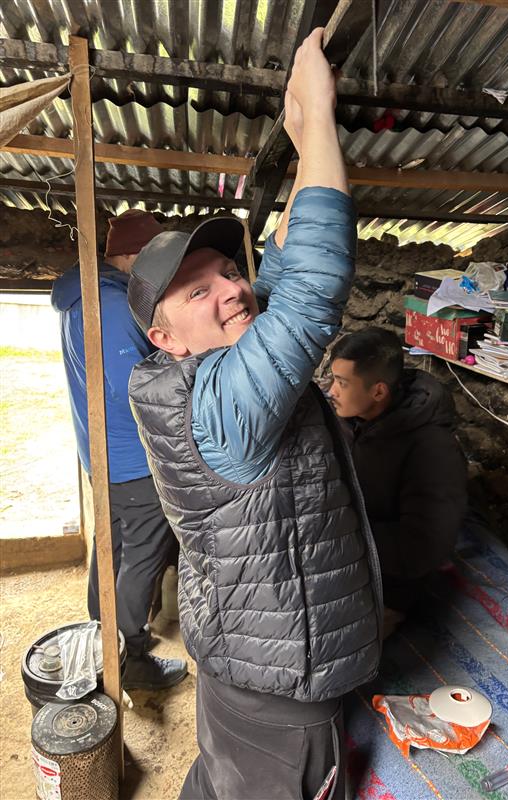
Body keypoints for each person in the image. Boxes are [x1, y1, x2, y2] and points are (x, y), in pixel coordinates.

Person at [127, 29, 382, 800]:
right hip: (281, 688)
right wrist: (324, 115)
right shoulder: (219, 406)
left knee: (217, 782)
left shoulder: (194, 382)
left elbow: (278, 270)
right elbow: (306, 291)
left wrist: (305, 137)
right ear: (163, 337)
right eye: (197, 291)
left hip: (249, 659)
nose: (234, 289)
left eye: (230, 272)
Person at [51, 209, 187, 690]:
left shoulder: (82, 295)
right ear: (134, 256)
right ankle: (127, 658)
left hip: (104, 453)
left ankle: (101, 632)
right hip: (131, 458)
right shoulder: (110, 304)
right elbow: (132, 384)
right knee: (144, 553)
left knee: (110, 545)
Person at [329, 327, 468, 616]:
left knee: (327, 641)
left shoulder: (433, 450)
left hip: (391, 579)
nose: (332, 391)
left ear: (378, 391)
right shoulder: (348, 419)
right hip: (343, 548)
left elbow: (422, 546)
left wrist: (339, 540)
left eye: (342, 382)